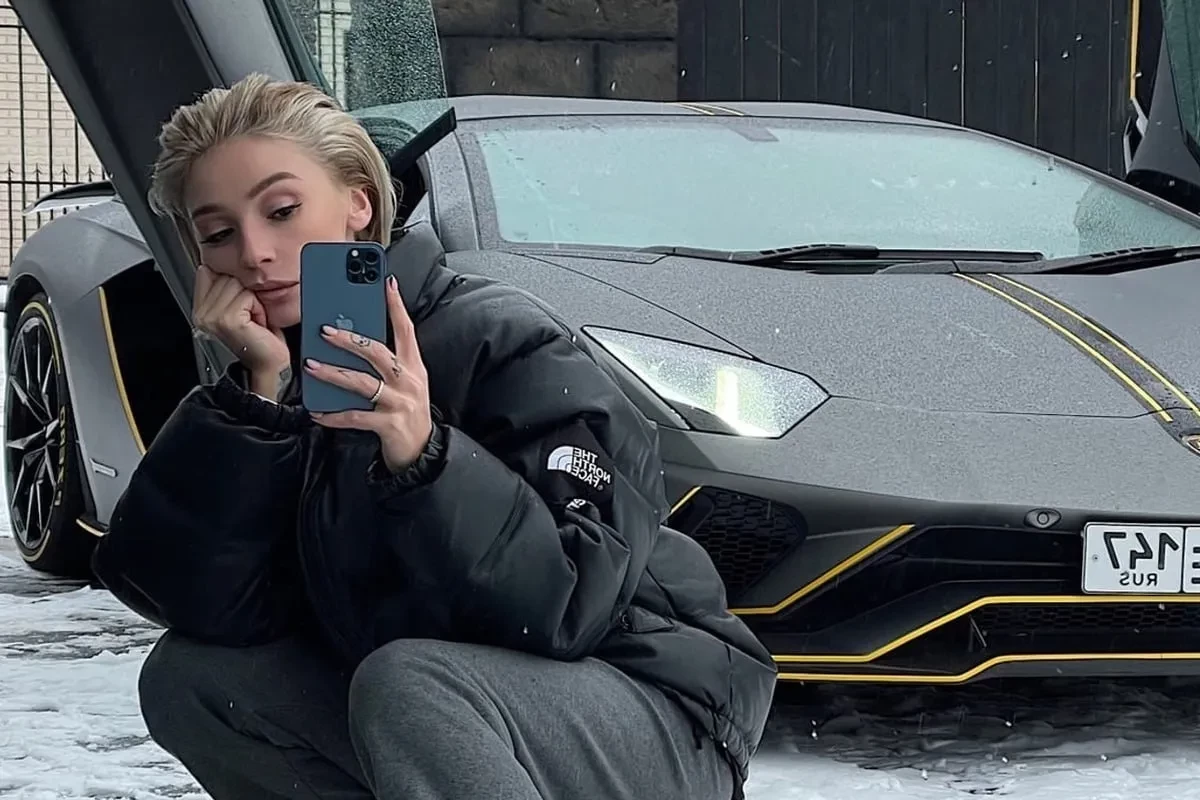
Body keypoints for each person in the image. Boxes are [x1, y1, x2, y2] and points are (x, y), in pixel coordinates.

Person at [91, 73, 778, 800]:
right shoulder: (274, 386)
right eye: (219, 233)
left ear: (359, 202)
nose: (255, 252)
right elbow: (200, 609)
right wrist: (255, 405)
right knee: (193, 679)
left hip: (647, 705)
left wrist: (427, 458)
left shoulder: (500, 338)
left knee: (409, 682)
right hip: (431, 706)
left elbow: (571, 605)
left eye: (282, 211)